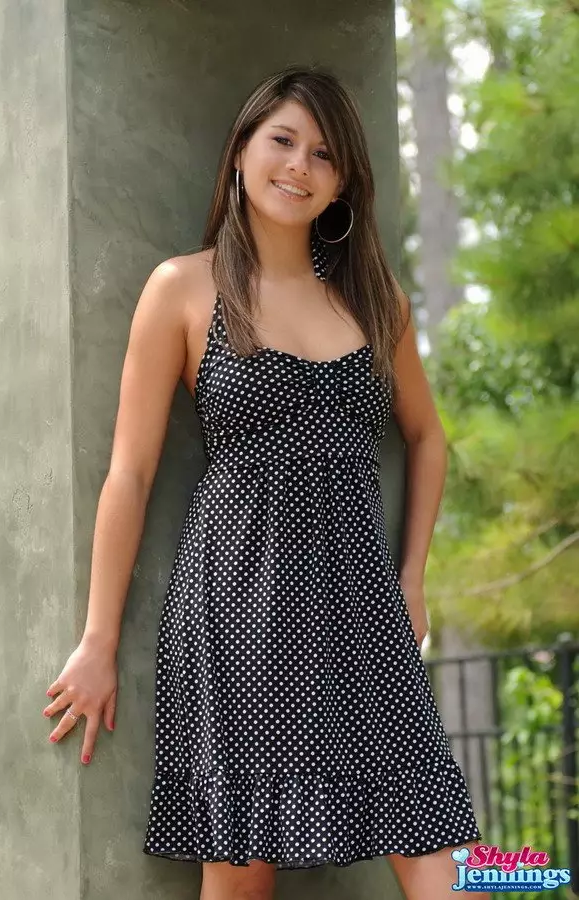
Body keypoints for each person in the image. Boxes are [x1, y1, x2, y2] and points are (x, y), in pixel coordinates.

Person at [42, 64, 482, 900]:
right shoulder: (183, 288)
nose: (298, 166)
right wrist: (98, 641)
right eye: (282, 140)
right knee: (242, 876)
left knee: (436, 855)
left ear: (342, 182)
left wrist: (411, 581)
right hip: (239, 607)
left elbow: (428, 438)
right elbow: (130, 473)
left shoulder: (373, 299)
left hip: (361, 606)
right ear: (240, 151)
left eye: (323, 154)